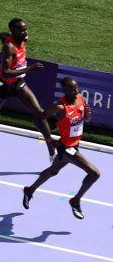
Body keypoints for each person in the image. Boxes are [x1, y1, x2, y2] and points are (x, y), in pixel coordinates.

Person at [23, 78, 101, 219]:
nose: (76, 91)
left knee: (53, 171)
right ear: (65, 91)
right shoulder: (59, 107)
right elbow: (39, 118)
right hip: (66, 148)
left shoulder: (80, 99)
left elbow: (85, 119)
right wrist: (48, 139)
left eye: (76, 88)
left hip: (75, 144)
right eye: (72, 89)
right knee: (94, 174)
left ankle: (29, 190)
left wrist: (88, 115)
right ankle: (75, 200)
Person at [0, 18, 56, 160]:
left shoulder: (21, 40)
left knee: (39, 113)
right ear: (14, 32)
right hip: (3, 85)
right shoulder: (9, 47)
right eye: (22, 31)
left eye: (26, 29)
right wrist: (30, 69)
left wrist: (4, 38)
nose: (26, 32)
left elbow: (2, 34)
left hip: (18, 83)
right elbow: (6, 72)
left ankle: (51, 148)